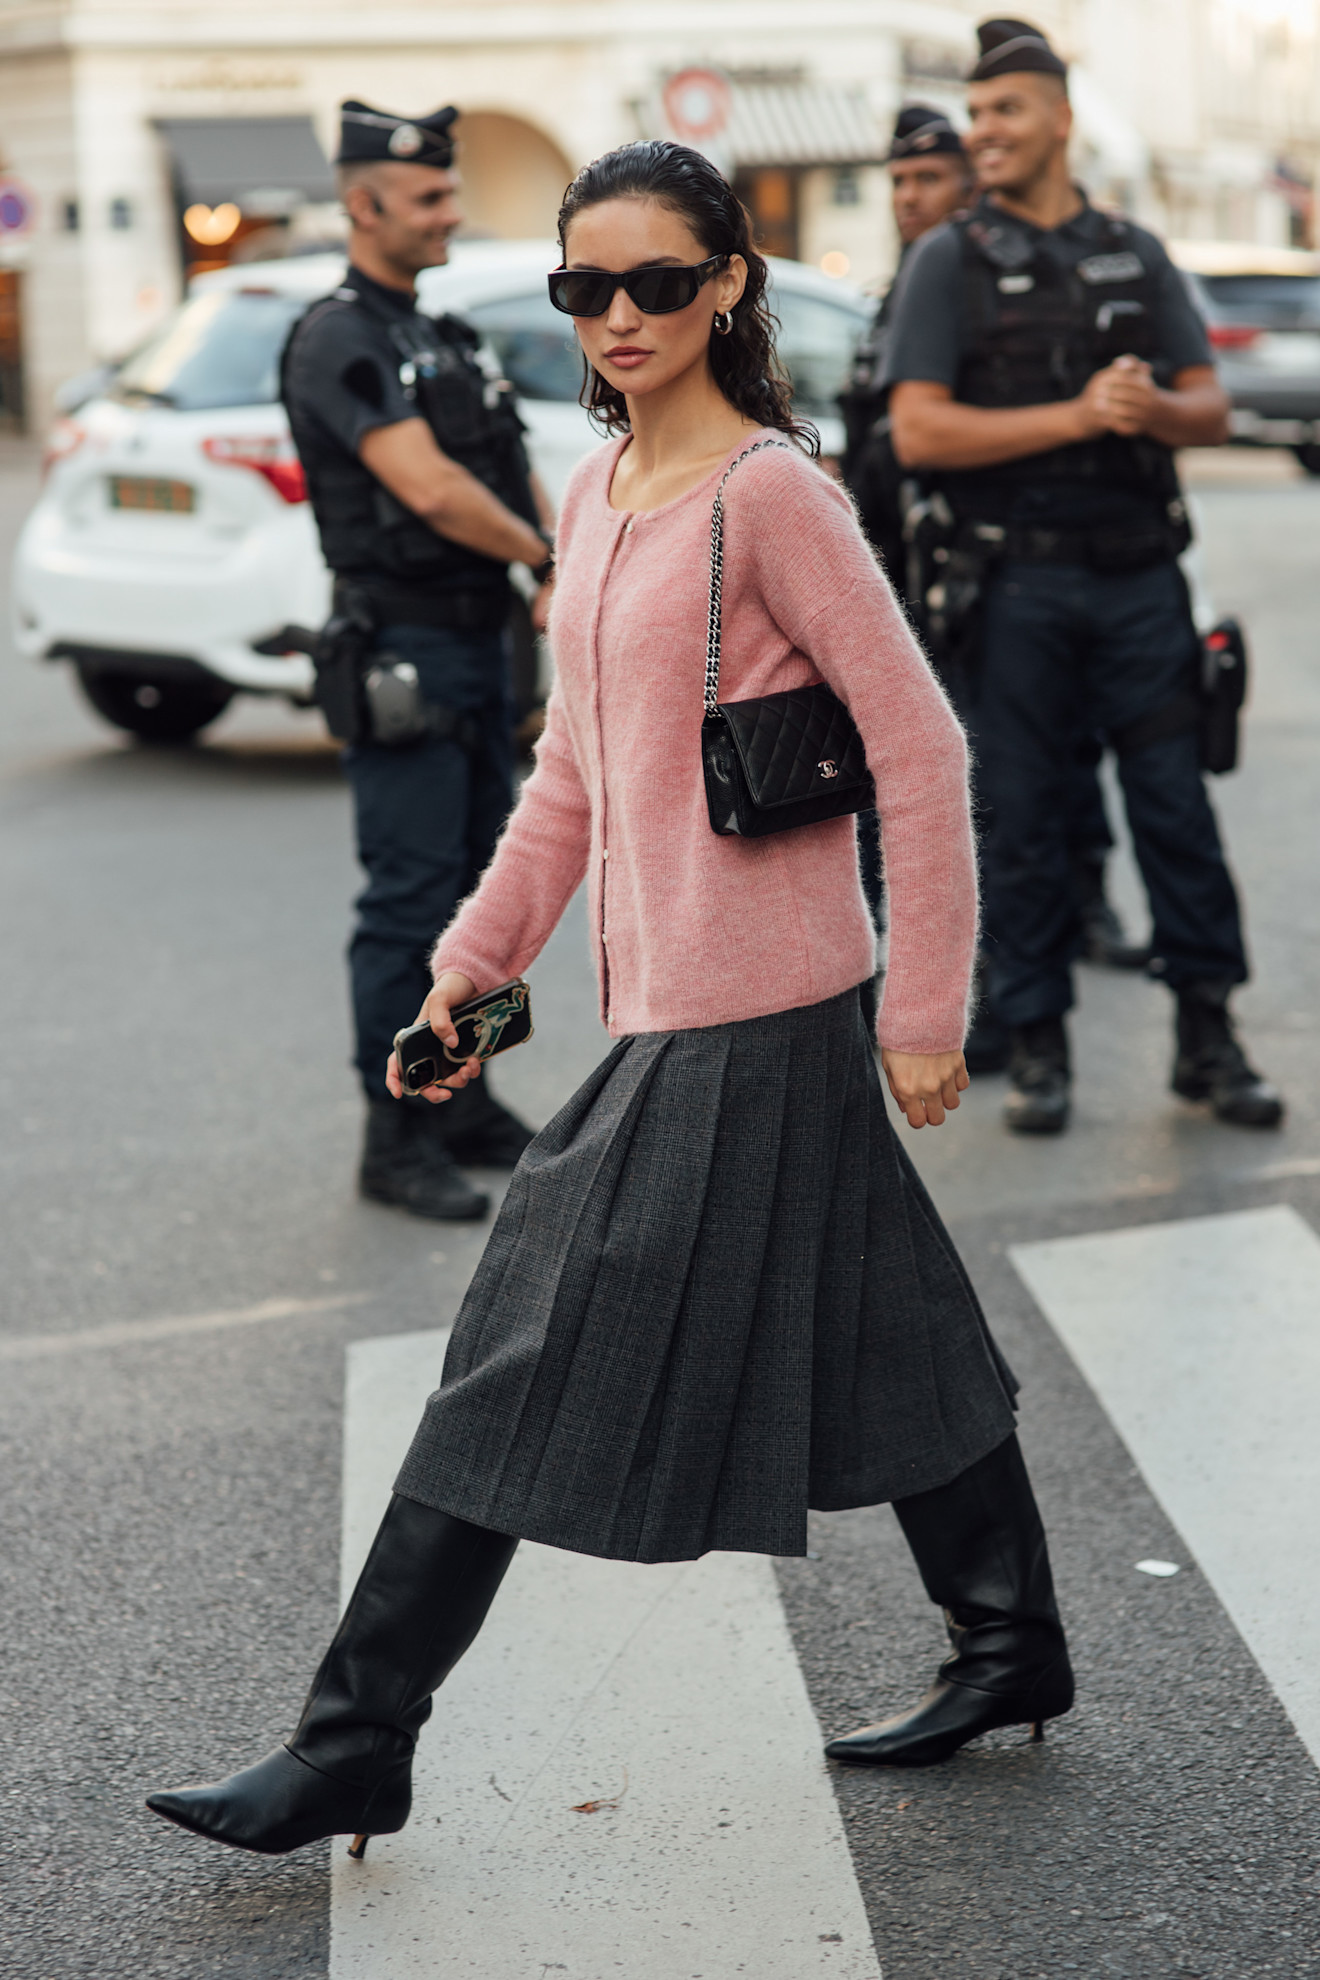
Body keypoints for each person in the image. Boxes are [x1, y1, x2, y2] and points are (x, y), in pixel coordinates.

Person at [145, 139, 1073, 1860]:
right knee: (892, 1332)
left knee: (518, 1348)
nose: (621, 316)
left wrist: (928, 1007)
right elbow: (571, 778)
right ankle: (1014, 1644)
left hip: (763, 1011)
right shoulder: (599, 491)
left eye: (658, 281)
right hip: (668, 1008)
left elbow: (921, 746)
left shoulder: (773, 497)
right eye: (587, 287)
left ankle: (357, 1739)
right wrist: (470, 982)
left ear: (728, 282)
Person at [882, 18, 1283, 1135]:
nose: (986, 133)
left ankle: (1209, 1034)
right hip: (1016, 590)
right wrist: (1076, 414)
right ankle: (1041, 1043)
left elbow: (1212, 405)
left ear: (1060, 115)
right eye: (977, 115)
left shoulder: (1134, 249)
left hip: (1138, 580)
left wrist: (1155, 409)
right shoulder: (948, 260)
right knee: (1022, 819)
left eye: (1005, 111)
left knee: (1175, 809)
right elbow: (917, 431)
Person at [281, 100, 557, 1220]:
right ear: (364, 203)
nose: (452, 211)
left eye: (450, 191)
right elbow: (434, 489)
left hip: (479, 645)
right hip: (402, 649)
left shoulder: (447, 335)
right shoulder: (339, 335)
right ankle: (394, 1133)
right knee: (409, 902)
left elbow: (508, 463)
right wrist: (547, 556)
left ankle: (464, 1095)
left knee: (481, 898)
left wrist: (550, 565)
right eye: (431, 196)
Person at [841, 101, 1142, 1064]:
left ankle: (1013, 997)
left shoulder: (978, 296)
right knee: (931, 802)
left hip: (977, 580)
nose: (907, 198)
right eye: (895, 182)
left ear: (969, 187)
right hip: (894, 584)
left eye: (926, 179)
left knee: (1008, 795)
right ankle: (968, 985)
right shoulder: (899, 301)